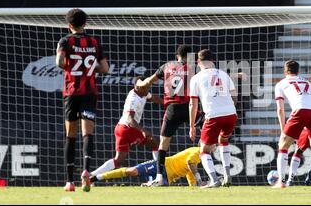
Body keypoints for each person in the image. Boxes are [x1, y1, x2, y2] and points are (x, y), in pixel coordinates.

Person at [55, 8, 109, 192]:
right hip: (89, 93)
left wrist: (69, 63)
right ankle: (86, 170)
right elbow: (105, 68)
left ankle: (69, 181)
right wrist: (89, 68)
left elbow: (60, 62)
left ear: (69, 25)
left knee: (71, 135)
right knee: (88, 133)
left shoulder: (65, 41)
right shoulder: (94, 42)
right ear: (85, 23)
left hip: (71, 93)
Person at [89, 76, 163, 186]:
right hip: (128, 128)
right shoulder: (133, 99)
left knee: (118, 160)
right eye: (146, 87)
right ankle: (160, 174)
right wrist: (142, 130)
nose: (148, 89)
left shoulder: (142, 93)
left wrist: (168, 103)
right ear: (138, 87)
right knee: (155, 143)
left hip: (120, 128)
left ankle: (91, 176)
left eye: (148, 87)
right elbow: (129, 119)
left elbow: (154, 98)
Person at [141, 45, 193, 186]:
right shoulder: (193, 68)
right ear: (190, 56)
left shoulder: (166, 66)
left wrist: (141, 83)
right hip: (190, 108)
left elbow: (149, 81)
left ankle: (159, 178)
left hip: (172, 109)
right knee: (207, 137)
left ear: (177, 56)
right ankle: (214, 174)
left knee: (163, 144)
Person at [274, 59, 311, 189]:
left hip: (300, 110)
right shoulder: (306, 81)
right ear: (298, 71)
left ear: (285, 71)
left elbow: (280, 109)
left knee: (283, 145)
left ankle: (281, 182)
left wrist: (283, 129)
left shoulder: (281, 84)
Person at [189, 49, 238, 188]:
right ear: (213, 61)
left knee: (203, 150)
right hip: (230, 114)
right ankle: (227, 175)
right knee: (223, 140)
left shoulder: (196, 78)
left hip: (213, 116)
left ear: (198, 62)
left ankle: (214, 180)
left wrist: (192, 125)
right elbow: (235, 97)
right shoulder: (224, 74)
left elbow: (193, 104)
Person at [90, 146, 206, 187]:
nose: (213, 148)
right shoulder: (197, 151)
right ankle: (96, 177)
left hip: (167, 179)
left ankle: (149, 184)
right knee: (133, 171)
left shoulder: (199, 157)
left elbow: (189, 170)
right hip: (161, 166)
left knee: (158, 190)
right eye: (212, 145)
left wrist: (195, 186)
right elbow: (191, 163)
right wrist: (200, 181)